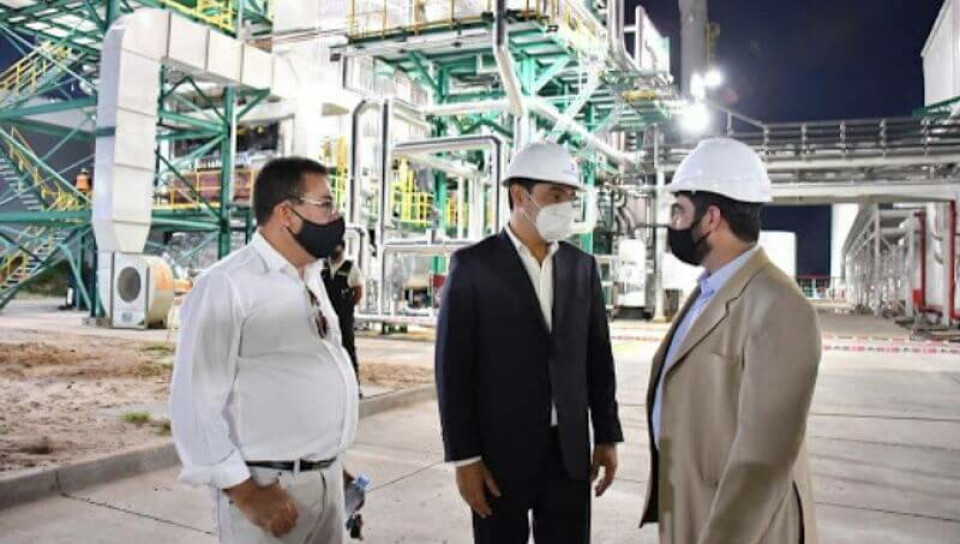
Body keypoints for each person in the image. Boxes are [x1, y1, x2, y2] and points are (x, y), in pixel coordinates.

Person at [435, 142, 623, 544]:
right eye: (555, 195)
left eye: (570, 196)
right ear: (520, 195)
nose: (565, 206)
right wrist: (465, 458)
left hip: (569, 455)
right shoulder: (473, 266)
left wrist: (607, 434)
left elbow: (597, 359)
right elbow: (453, 371)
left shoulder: (581, 267)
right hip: (499, 457)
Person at [170, 157, 359, 544]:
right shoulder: (227, 284)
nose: (336, 216)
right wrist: (246, 494)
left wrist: (328, 463)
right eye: (325, 205)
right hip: (270, 489)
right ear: (286, 214)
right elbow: (194, 402)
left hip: (324, 483)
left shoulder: (310, 276)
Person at [640, 138, 820, 544]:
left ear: (711, 219)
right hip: (691, 508)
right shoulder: (709, 291)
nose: (672, 223)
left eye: (679, 211)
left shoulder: (779, 305)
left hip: (740, 527)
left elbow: (764, 459)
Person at [322, 241, 363, 381]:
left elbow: (358, 291)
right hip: (325, 314)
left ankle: (353, 380)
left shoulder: (351, 268)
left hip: (343, 314)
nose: (333, 249)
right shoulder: (323, 267)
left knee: (347, 345)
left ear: (343, 248)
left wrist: (348, 306)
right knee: (326, 345)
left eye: (336, 246)